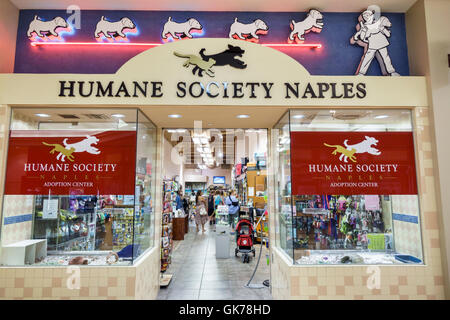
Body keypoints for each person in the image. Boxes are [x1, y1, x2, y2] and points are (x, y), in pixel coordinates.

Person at [351, 10, 399, 76]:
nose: (366, 17)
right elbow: (362, 37)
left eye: (368, 15)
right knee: (367, 59)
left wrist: (382, 29)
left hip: (382, 43)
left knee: (386, 58)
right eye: (364, 16)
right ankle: (361, 73)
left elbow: (387, 34)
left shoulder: (379, 23)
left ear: (372, 15)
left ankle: (392, 72)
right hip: (372, 45)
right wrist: (365, 34)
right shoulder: (364, 27)